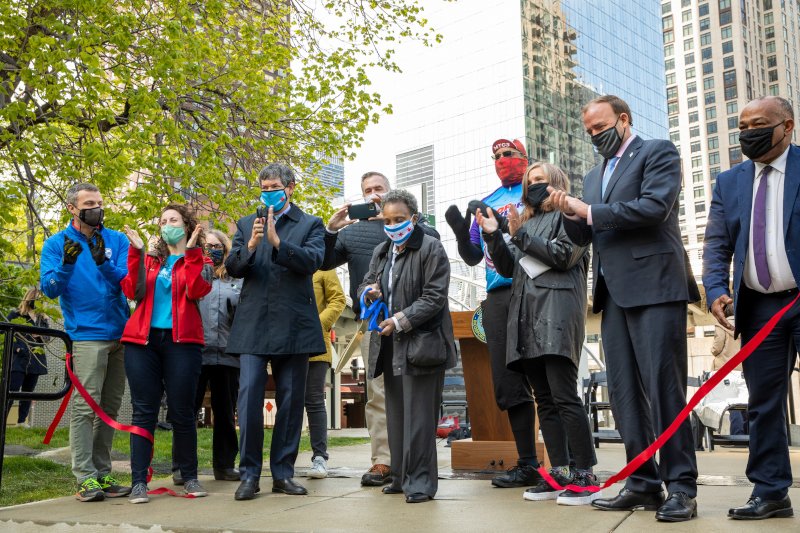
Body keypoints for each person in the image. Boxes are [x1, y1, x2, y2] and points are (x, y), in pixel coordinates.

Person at [550, 95, 700, 522]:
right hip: (613, 294)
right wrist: (567, 212)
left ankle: (682, 487)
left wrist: (590, 211)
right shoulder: (592, 176)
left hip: (655, 287)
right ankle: (642, 482)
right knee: (624, 394)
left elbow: (655, 207)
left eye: (600, 127)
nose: (595, 135)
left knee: (663, 389)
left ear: (623, 119)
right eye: (589, 131)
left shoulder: (657, 152)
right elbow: (585, 233)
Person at [477, 162, 599, 505]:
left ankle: (584, 473)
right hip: (525, 318)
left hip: (557, 314)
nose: (533, 186)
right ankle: (558, 470)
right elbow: (507, 267)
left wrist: (520, 236)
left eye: (540, 180)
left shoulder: (570, 216)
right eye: (530, 181)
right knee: (543, 400)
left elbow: (564, 256)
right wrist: (493, 234)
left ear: (557, 183)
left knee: (564, 395)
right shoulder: (525, 222)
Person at [703, 95, 798, 520]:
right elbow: (717, 243)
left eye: (758, 124)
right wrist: (715, 288)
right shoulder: (729, 182)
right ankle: (771, 491)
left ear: (787, 126)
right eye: (742, 126)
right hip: (758, 307)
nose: (748, 133)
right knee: (763, 403)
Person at [322, 171, 439, 487]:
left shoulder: (411, 227)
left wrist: (397, 217)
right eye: (367, 191)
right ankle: (383, 461)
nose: (372, 195)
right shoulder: (353, 233)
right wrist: (332, 230)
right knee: (377, 394)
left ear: (391, 193)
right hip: (374, 322)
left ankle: (413, 462)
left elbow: (432, 238)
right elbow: (323, 261)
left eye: (379, 190)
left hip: (412, 320)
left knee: (413, 394)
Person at [226, 162, 326, 501]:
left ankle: (283, 473)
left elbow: (312, 261)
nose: (268, 192)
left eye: (274, 186)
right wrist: (253, 244)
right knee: (250, 396)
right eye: (264, 186)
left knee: (291, 401)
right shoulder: (244, 224)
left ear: (290, 188)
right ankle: (249, 474)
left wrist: (278, 243)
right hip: (254, 324)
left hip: (294, 325)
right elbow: (233, 268)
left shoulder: (311, 224)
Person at [444, 139, 540, 489]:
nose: (502, 161)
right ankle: (527, 463)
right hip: (497, 294)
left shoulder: (536, 190)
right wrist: (459, 230)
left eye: (508, 155)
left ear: (523, 158)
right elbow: (471, 256)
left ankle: (569, 464)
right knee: (507, 380)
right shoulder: (488, 201)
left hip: (534, 288)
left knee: (545, 374)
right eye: (496, 157)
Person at [358, 189, 457, 503]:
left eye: (399, 219)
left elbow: (434, 297)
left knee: (419, 418)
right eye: (387, 220)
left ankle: (421, 482)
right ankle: (400, 477)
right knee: (396, 415)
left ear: (414, 218)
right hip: (389, 346)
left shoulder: (432, 249)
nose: (392, 225)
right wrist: (369, 292)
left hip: (422, 345)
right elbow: (365, 282)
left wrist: (400, 319)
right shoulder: (381, 251)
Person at [40, 182, 131, 502]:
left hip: (120, 334)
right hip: (87, 336)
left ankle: (103, 474)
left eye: (100, 202)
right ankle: (85, 477)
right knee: (85, 408)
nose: (97, 208)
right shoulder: (55, 244)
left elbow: (126, 281)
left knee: (109, 408)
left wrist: (103, 262)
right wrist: (66, 265)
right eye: (89, 203)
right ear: (72, 209)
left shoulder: (117, 240)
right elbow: (50, 288)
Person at [120, 203, 213, 503]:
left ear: (186, 226)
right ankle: (138, 482)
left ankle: (190, 477)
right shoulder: (150, 260)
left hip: (182, 342)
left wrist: (190, 252)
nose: (167, 224)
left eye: (174, 219)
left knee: (183, 412)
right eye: (163, 221)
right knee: (143, 411)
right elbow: (131, 291)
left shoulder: (201, 260)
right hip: (142, 342)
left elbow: (195, 290)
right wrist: (137, 252)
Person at [183, 229, 242, 483]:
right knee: (187, 412)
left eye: (217, 246)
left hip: (228, 354)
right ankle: (182, 467)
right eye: (207, 246)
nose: (212, 250)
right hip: (195, 351)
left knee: (226, 412)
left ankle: (225, 466)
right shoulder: (192, 274)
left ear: (225, 249)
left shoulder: (236, 279)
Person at [306, 269, 346, 478]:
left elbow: (338, 299)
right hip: (286, 345)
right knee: (287, 401)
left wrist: (317, 324)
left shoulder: (323, 266)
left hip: (315, 347)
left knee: (314, 400)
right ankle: (284, 458)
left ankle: (320, 457)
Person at [5, 288, 49, 426]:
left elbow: (48, 338)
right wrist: (16, 347)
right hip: (19, 359)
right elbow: (4, 332)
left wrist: (40, 335)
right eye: (37, 299)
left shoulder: (42, 319)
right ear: (29, 298)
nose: (38, 302)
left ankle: (21, 422)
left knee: (28, 393)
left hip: (35, 360)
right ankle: (2, 420)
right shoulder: (15, 314)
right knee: (12, 390)